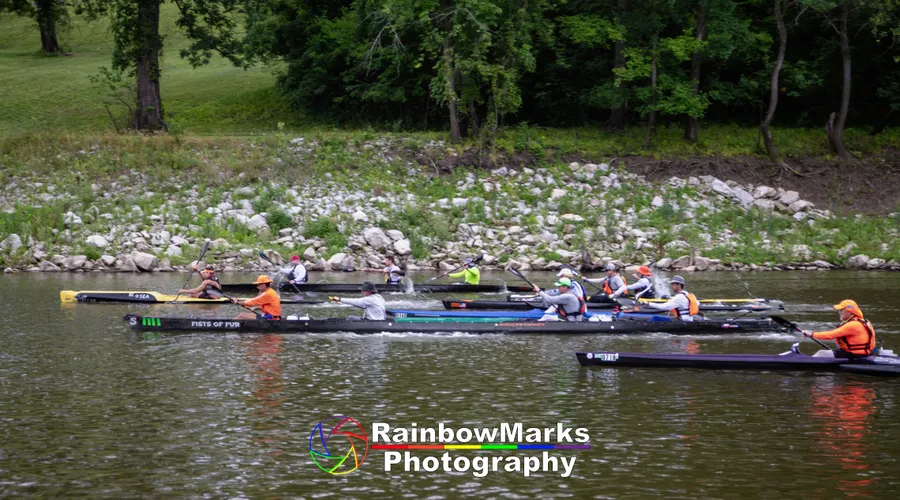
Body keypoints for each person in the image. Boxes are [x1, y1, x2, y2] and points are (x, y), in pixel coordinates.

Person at [802, 300, 876, 358]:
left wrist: (811, 334)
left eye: (841, 310)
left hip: (855, 355)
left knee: (822, 353)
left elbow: (830, 336)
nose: (839, 312)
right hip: (864, 353)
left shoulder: (853, 325)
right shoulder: (864, 321)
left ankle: (806, 362)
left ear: (849, 311)